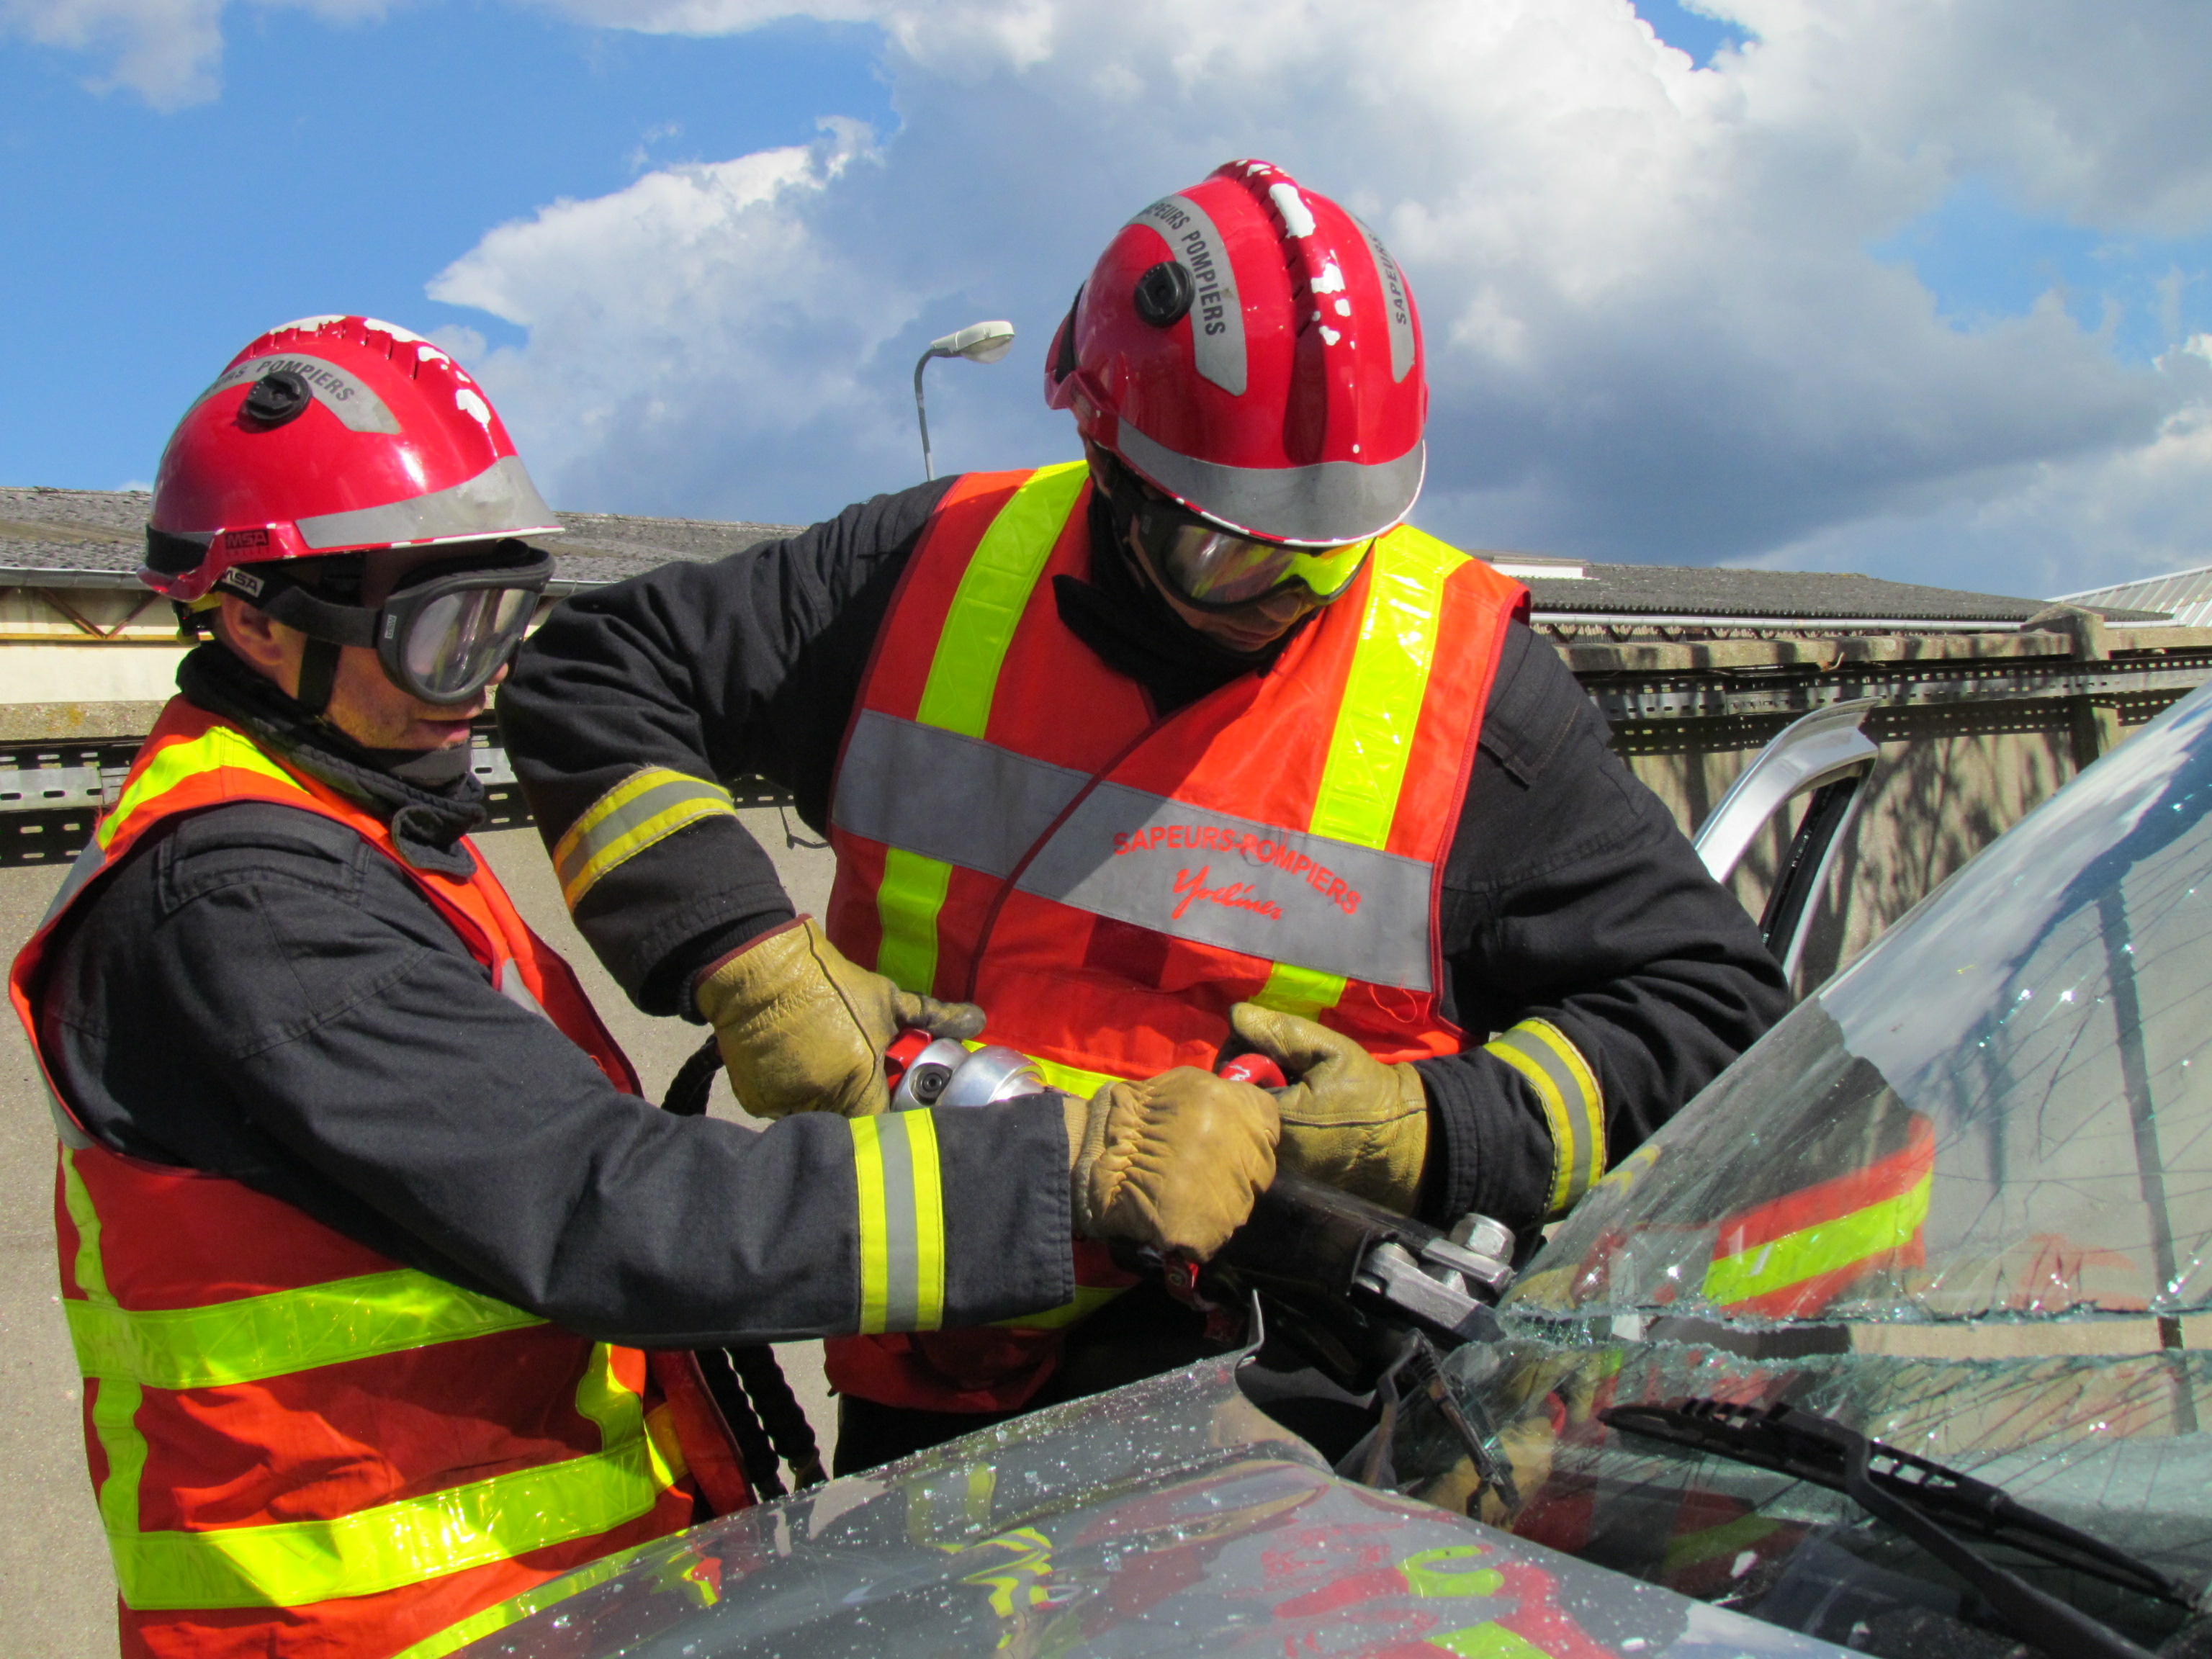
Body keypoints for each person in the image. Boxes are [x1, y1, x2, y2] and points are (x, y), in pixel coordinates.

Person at [9, 315, 1279, 1659]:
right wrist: (1062, 1172)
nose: (488, 674)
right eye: (445, 635)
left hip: (518, 1604)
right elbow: (606, 1210)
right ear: (261, 628)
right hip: (370, 1628)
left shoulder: (364, 830)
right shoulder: (238, 899)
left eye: (504, 614)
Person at [498, 158, 1791, 1475]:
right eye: (1227, 548)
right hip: (942, 1363)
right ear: (1108, 461)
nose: (1284, 593)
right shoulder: (917, 575)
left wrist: (1438, 1131)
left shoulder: (1468, 691)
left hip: (1292, 1409)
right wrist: (744, 956)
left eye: (1331, 546)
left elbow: (1716, 1011)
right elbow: (587, 675)